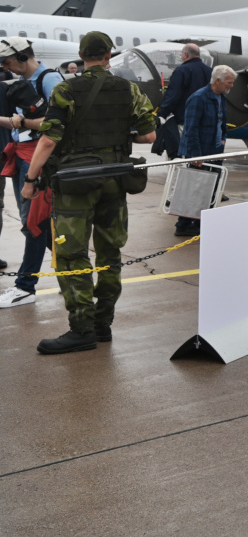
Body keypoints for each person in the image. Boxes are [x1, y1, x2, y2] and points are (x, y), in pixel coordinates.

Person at [24, 31, 157, 354]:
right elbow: (149, 136)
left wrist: (30, 179)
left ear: (82, 55)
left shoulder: (67, 89)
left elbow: (49, 140)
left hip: (75, 184)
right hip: (114, 180)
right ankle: (102, 324)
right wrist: (116, 141)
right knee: (110, 255)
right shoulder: (129, 89)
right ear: (109, 55)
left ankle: (81, 328)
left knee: (72, 255)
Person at [0, 37, 66, 309]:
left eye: (7, 61)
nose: (6, 67)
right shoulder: (26, 81)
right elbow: (19, 125)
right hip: (23, 154)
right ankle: (72, 273)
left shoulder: (49, 79)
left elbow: (59, 122)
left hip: (39, 158)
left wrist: (23, 121)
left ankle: (25, 286)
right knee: (35, 222)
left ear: (23, 56)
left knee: (33, 223)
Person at [173, 65, 236, 236]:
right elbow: (190, 129)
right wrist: (195, 155)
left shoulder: (221, 97)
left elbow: (222, 119)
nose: (231, 86)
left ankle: (201, 222)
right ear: (218, 81)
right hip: (200, 151)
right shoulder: (198, 98)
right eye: (229, 83)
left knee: (210, 188)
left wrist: (222, 137)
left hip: (214, 148)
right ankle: (183, 224)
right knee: (193, 188)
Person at [154, 43, 211, 161]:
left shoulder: (182, 71)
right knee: (199, 158)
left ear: (186, 54)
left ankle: (177, 179)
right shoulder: (210, 71)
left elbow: (173, 95)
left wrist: (161, 114)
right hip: (204, 123)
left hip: (183, 122)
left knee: (178, 159)